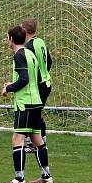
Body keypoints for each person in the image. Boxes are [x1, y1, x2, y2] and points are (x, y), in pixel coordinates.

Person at [0, 26, 53, 183]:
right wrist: (13, 83)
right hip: (35, 100)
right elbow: (32, 78)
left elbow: (24, 79)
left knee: (17, 138)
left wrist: (8, 88)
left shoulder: (19, 55)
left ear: (10, 38)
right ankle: (46, 176)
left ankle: (19, 179)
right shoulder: (30, 54)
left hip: (26, 103)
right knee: (37, 139)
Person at [21, 18, 53, 152]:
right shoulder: (40, 41)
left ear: (25, 31)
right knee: (36, 113)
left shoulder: (29, 47)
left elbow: (30, 67)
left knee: (33, 114)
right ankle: (40, 142)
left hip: (39, 85)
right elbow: (50, 61)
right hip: (46, 82)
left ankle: (37, 144)